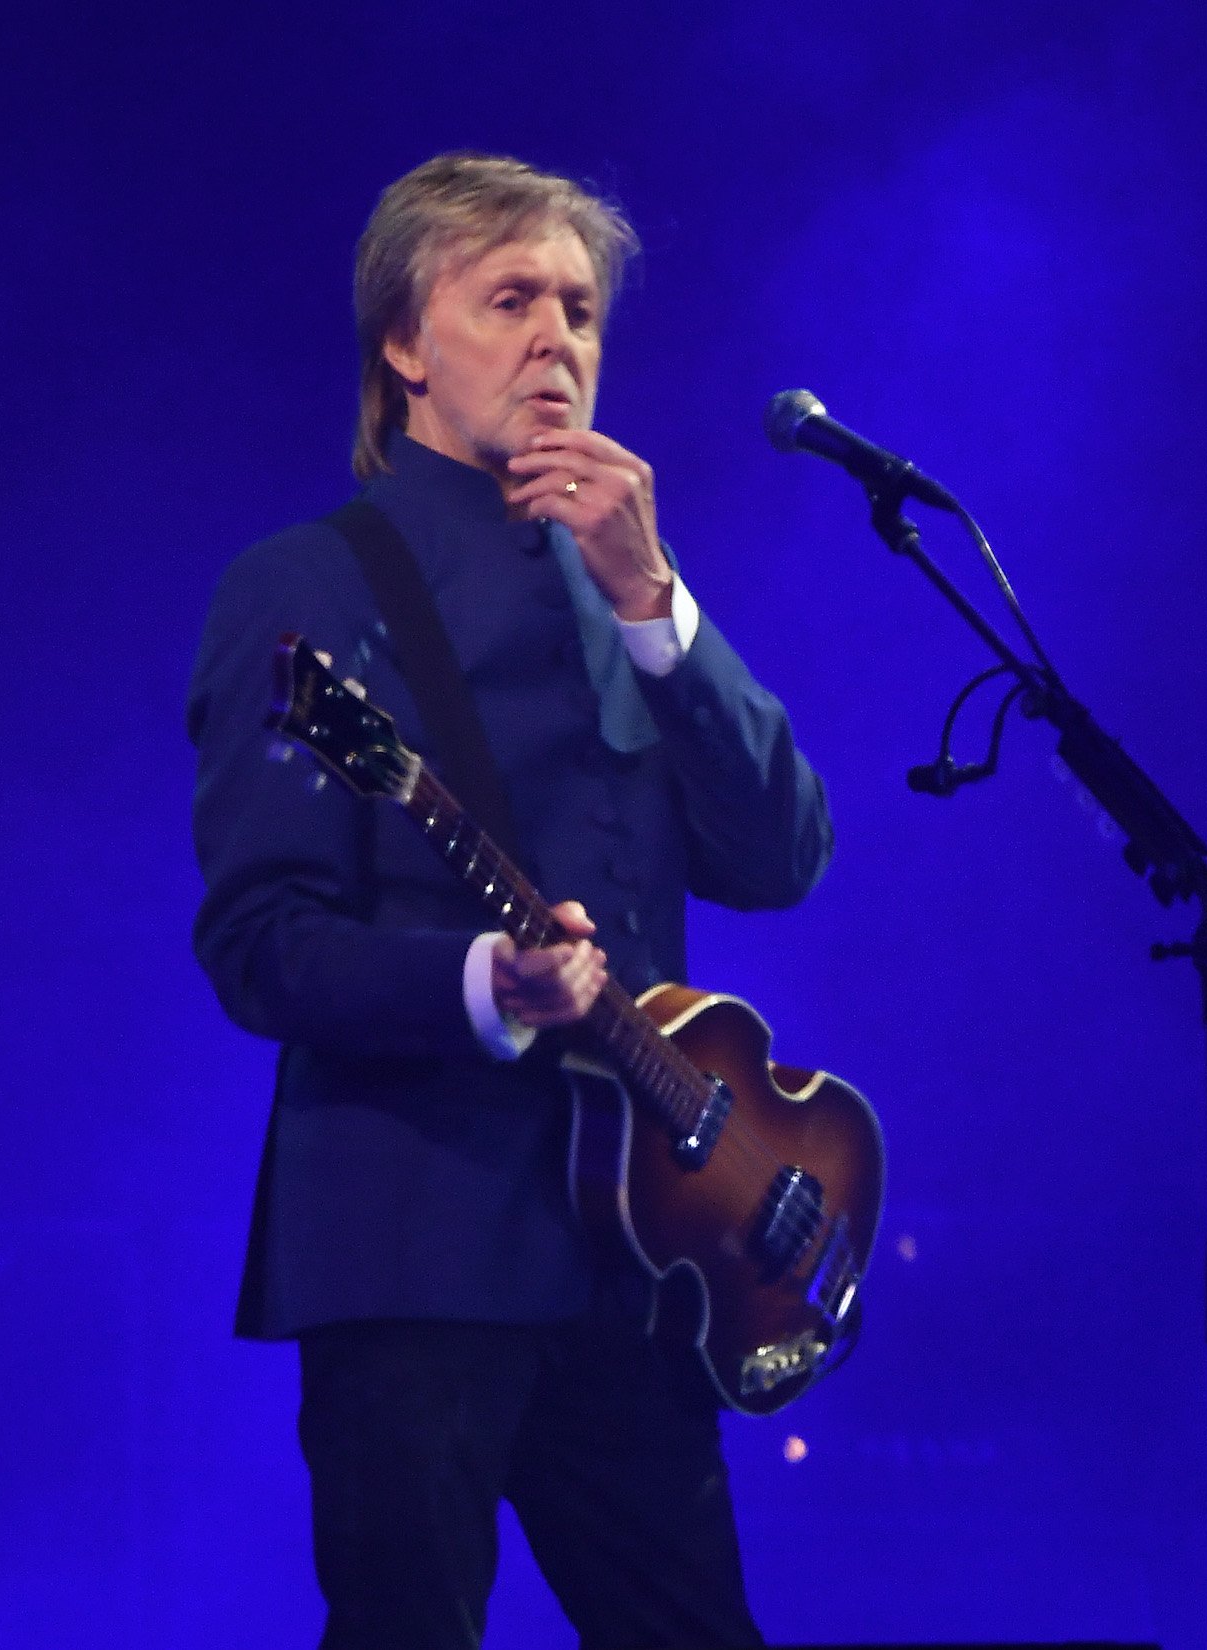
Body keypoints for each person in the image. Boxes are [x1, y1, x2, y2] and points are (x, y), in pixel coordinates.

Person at [183, 152, 833, 1650]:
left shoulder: (623, 589)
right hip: (415, 1243)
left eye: (584, 311)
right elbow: (259, 940)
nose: (561, 339)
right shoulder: (307, 583)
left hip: (640, 1256)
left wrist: (655, 601)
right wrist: (484, 982)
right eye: (513, 300)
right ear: (407, 345)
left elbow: (783, 852)